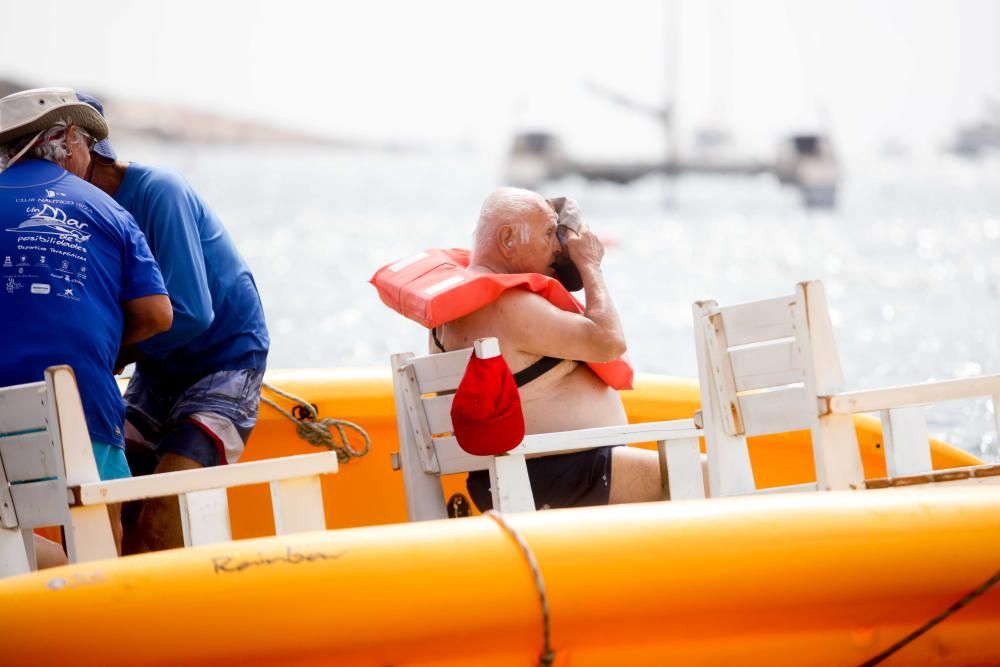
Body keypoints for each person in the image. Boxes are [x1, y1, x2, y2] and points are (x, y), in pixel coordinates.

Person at [75, 94, 270, 553]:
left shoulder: (160, 191)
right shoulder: (83, 212)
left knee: (165, 510)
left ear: (82, 150)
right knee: (118, 503)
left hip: (224, 360)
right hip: (159, 368)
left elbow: (191, 312)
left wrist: (117, 351)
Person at [0, 87, 172, 565]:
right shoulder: (109, 210)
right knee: (98, 535)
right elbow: (159, 315)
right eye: (88, 145)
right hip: (79, 404)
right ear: (69, 140)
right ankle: (94, 612)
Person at [432, 187, 666, 510]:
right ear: (508, 240)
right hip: (559, 473)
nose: (558, 247)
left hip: (522, 473)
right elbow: (610, 341)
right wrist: (590, 265)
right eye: (547, 234)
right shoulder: (509, 306)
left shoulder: (450, 313)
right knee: (709, 475)